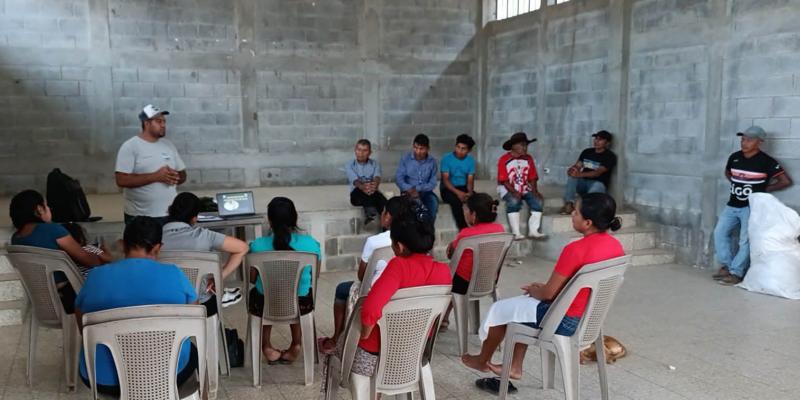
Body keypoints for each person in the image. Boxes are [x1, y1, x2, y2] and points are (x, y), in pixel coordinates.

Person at [461, 193, 624, 392]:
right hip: (587, 320)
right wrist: (544, 289)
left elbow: (548, 294)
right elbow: (577, 285)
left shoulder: (575, 249)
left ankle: (483, 360)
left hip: (563, 321)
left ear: (588, 222)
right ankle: (514, 366)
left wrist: (536, 290)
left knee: (502, 309)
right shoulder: (616, 247)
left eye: (576, 212)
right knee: (520, 308)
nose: (572, 214)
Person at [74, 216, 199, 397]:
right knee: (192, 350)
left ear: (122, 245)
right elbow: (193, 318)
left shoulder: (96, 276)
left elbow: (83, 323)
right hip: (168, 374)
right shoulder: (174, 274)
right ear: (158, 248)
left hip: (103, 379)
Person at [352, 204, 451, 391]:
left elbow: (370, 310)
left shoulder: (398, 267)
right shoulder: (444, 271)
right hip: (415, 350)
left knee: (340, 348)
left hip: (378, 350)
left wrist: (364, 335)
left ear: (399, 246)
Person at [317, 196, 410, 354]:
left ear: (388, 216)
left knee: (341, 289)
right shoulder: (412, 240)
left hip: (375, 294)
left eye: (383, 212)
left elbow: (362, 277)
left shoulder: (374, 241)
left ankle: (335, 339)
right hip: (402, 292)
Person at [713, 126, 792, 286]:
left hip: (751, 208)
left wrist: (763, 190)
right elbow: (728, 172)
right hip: (731, 205)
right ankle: (726, 266)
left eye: (749, 140)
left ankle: (736, 273)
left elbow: (785, 181)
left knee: (745, 241)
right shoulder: (735, 157)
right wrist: (738, 183)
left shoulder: (767, 161)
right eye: (743, 139)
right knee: (719, 233)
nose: (744, 143)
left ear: (759, 142)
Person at [248, 197, 322, 364]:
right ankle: (296, 344)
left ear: (270, 220)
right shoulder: (311, 244)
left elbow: (252, 279)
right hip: (301, 305)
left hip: (265, 305)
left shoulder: (257, 246)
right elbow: (315, 276)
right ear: (295, 218)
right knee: (298, 293)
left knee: (259, 294)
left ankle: (266, 347)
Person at [10, 190, 105, 313]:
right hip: (70, 297)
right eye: (46, 205)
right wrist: (102, 255)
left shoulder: (16, 239)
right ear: (39, 209)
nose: (49, 208)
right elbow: (89, 260)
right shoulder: (53, 230)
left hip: (41, 299)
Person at [161, 192, 250, 311]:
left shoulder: (156, 237)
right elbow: (242, 248)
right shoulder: (204, 236)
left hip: (165, 303)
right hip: (202, 304)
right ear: (194, 218)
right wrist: (219, 277)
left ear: (170, 211)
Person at [440, 193, 506, 331]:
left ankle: (441, 318)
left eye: (466, 210)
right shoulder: (500, 229)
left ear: (474, 214)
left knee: (447, 277)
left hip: (464, 284)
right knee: (455, 277)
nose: (464, 213)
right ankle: (444, 318)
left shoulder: (466, 234)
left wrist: (451, 247)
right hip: (489, 281)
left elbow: (452, 255)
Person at [115, 104, 187, 225]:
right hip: (140, 217)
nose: (163, 125)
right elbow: (121, 180)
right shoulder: (130, 146)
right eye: (158, 121)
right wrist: (156, 176)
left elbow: (183, 174)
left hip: (169, 214)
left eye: (164, 121)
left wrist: (175, 176)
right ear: (146, 123)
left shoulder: (168, 145)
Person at [497, 132, 545, 239]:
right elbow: (504, 180)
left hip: (524, 187)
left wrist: (535, 191)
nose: (525, 148)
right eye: (522, 145)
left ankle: (533, 230)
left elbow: (532, 177)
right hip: (507, 188)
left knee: (538, 201)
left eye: (526, 145)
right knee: (514, 201)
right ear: (513, 146)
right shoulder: (504, 159)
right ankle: (516, 232)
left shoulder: (528, 158)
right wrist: (514, 192)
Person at [559, 130, 617, 215]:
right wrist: (572, 170)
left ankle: (584, 208)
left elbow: (597, 172)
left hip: (598, 184)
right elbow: (578, 165)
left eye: (600, 139)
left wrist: (579, 174)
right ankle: (569, 204)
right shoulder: (587, 152)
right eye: (596, 139)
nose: (596, 141)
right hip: (583, 183)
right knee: (572, 177)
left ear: (607, 143)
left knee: (597, 187)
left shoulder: (610, 156)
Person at [396, 133, 439, 223]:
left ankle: (428, 228)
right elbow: (399, 179)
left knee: (433, 203)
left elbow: (433, 183)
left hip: (426, 192)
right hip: (408, 192)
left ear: (428, 149)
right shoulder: (405, 159)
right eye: (415, 148)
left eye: (421, 149)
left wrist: (417, 189)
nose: (418, 151)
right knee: (408, 210)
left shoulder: (432, 162)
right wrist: (409, 189)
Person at [440, 134, 477, 231]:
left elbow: (470, 180)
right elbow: (445, 180)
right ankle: (463, 230)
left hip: (463, 187)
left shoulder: (470, 161)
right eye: (458, 147)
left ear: (469, 150)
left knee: (478, 200)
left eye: (463, 149)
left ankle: (478, 226)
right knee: (456, 202)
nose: (459, 151)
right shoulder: (446, 159)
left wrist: (469, 193)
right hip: (448, 189)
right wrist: (458, 193)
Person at [345, 139, 387, 224]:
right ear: (355, 150)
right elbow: (355, 181)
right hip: (357, 193)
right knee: (363, 194)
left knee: (383, 202)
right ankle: (371, 214)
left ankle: (387, 226)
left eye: (365, 150)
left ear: (370, 152)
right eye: (359, 150)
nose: (361, 153)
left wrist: (375, 185)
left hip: (372, 191)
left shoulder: (375, 164)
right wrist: (363, 187)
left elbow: (377, 177)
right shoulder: (349, 164)